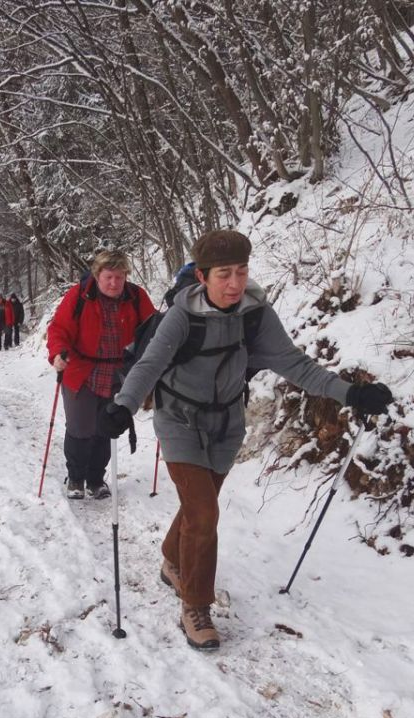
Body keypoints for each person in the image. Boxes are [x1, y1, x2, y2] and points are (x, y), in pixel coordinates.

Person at [97, 229, 393, 651]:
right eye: (223, 274)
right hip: (178, 421)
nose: (234, 283)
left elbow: (295, 365)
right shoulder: (182, 316)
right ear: (202, 276)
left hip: (227, 425)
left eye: (241, 271)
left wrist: (352, 393)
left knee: (199, 507)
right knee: (203, 513)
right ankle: (196, 605)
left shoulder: (255, 315)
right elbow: (149, 365)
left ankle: (172, 559)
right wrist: (123, 406)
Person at [46, 250, 156, 500]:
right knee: (80, 427)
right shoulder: (79, 296)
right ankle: (75, 477)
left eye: (119, 277)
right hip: (81, 371)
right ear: (97, 276)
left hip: (119, 373)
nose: (114, 283)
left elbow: (154, 330)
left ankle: (96, 479)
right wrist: (57, 354)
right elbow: (59, 329)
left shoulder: (136, 297)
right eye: (108, 277)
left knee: (105, 428)